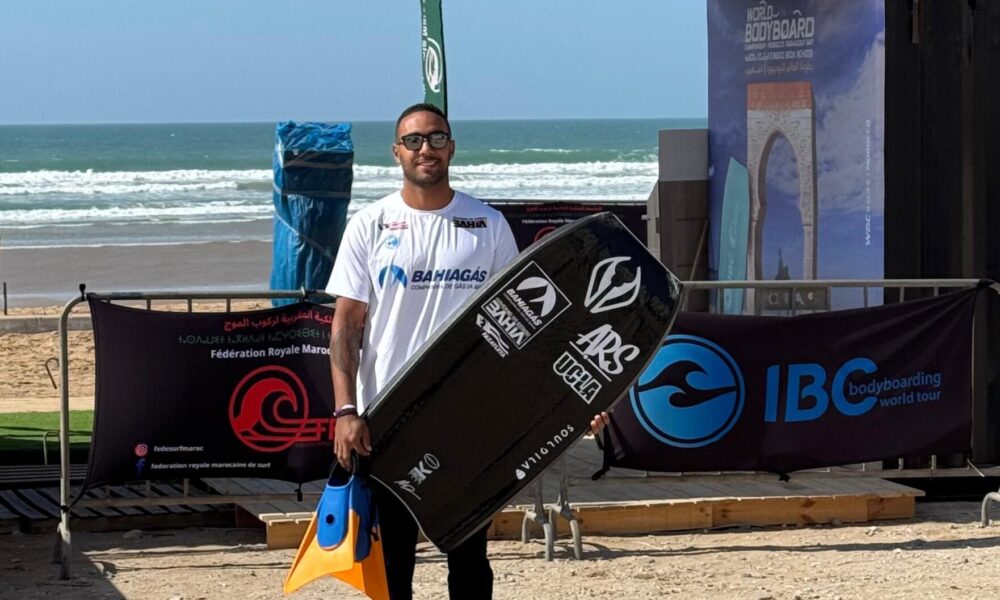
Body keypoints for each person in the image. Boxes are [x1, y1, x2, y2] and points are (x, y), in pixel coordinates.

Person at [326, 102, 608, 600]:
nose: (425, 149)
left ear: (452, 147)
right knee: (393, 560)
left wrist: (570, 402)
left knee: (470, 557)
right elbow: (346, 325)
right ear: (396, 152)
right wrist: (346, 409)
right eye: (413, 140)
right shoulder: (370, 224)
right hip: (388, 418)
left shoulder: (488, 224)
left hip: (469, 420)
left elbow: (525, 328)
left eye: (436, 138)